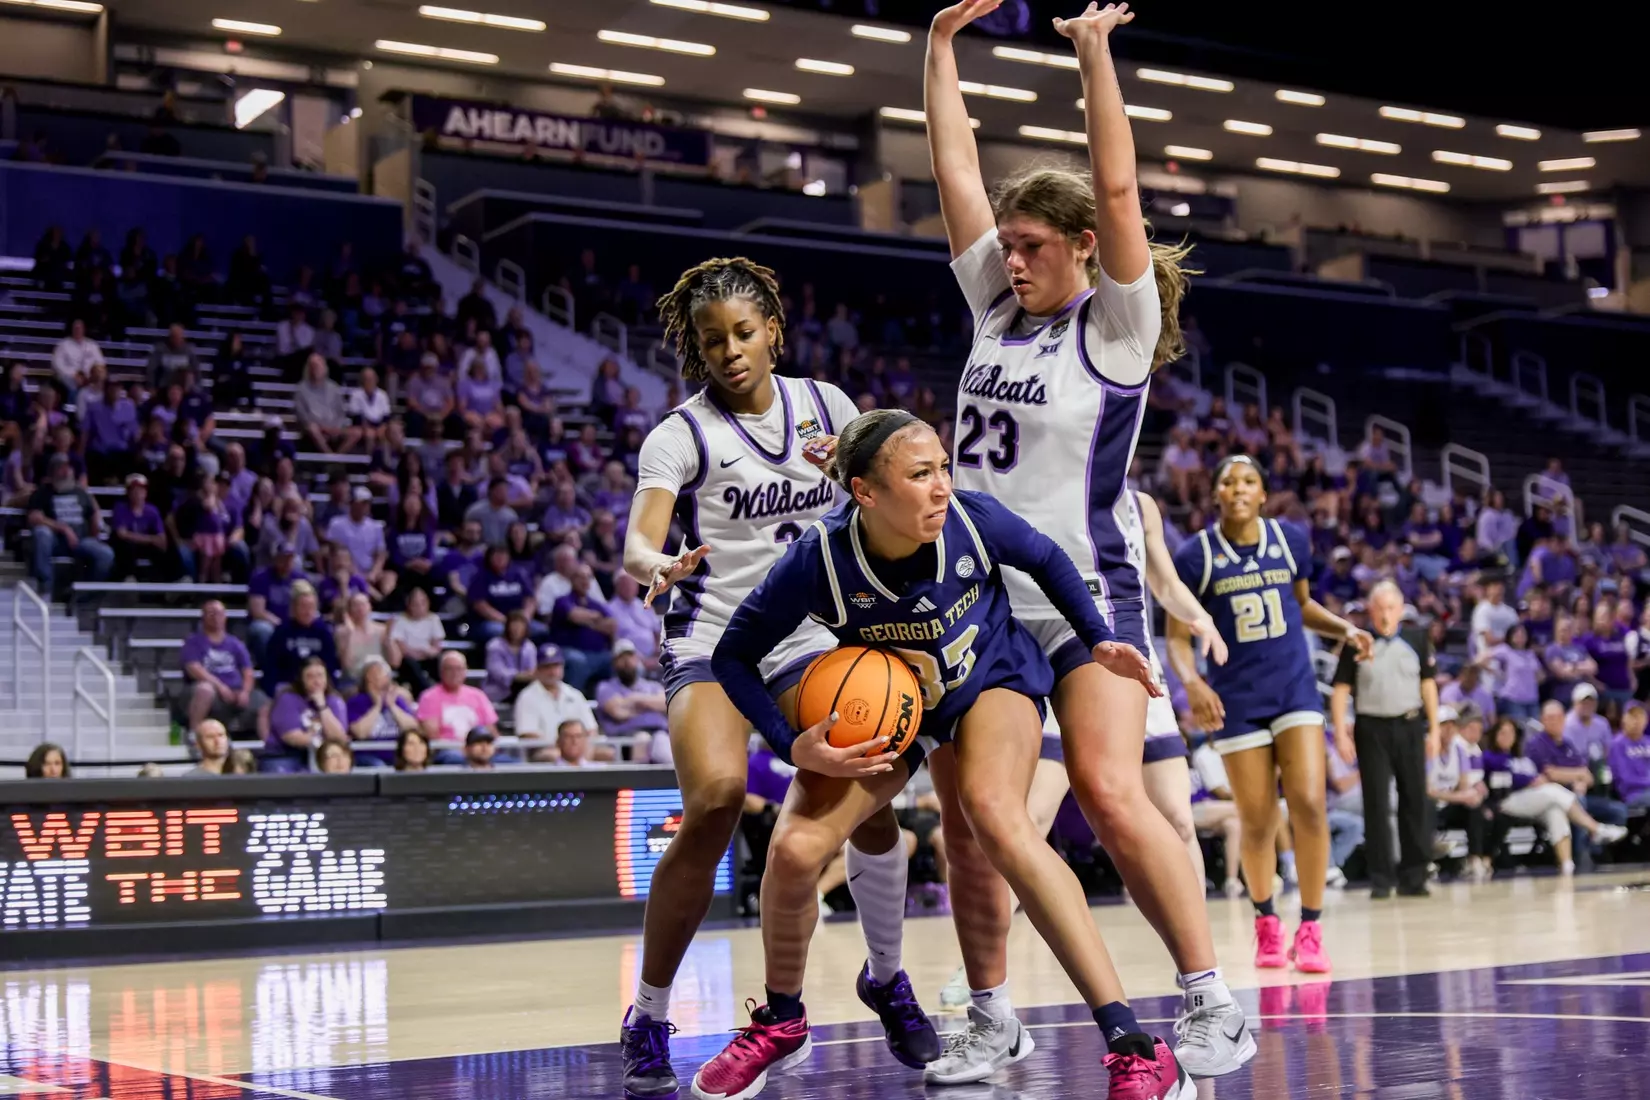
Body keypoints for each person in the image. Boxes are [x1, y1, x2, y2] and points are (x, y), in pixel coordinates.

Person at [924, 0, 1245, 1079]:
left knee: (1109, 792)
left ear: (1083, 252)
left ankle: (1210, 1000)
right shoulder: (994, 307)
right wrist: (939, 52)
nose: (1010, 259)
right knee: (972, 823)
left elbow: (1117, 191)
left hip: (1087, 592)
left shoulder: (1115, 326)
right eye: (1007, 246)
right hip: (979, 601)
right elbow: (956, 171)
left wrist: (1095, 56)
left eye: (1031, 247)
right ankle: (989, 1013)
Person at [696, 409, 1178, 1100]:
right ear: (865, 492)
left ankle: (1133, 1042)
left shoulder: (972, 520)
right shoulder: (818, 559)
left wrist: (1097, 636)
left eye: (944, 467)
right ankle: (782, 1020)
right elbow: (732, 655)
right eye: (921, 474)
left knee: (994, 817)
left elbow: (1046, 557)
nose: (943, 485)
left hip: (989, 680)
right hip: (898, 706)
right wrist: (788, 742)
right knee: (796, 849)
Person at [618, 257, 930, 1099]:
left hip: (812, 636)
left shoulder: (828, 406)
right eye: (712, 339)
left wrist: (853, 478)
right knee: (717, 800)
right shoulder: (681, 435)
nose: (729, 350)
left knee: (867, 798)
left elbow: (886, 496)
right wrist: (657, 564)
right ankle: (648, 1013)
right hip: (712, 636)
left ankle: (887, 978)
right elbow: (638, 539)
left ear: (773, 333)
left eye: (743, 333)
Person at [1169, 455, 1371, 973]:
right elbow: (1177, 637)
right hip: (1237, 699)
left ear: (1262, 493)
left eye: (1249, 481)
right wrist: (1192, 682)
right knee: (1257, 818)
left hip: (1294, 690)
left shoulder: (1290, 540)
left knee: (1309, 803)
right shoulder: (1195, 556)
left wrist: (1344, 628)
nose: (1238, 489)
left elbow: (1301, 605)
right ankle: (1266, 921)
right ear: (1216, 494)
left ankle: (1311, 928)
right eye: (1228, 481)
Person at [1331, 580, 1440, 898]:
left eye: (1391, 608)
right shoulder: (1357, 642)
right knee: (1376, 803)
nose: (1385, 614)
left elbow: (1428, 685)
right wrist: (1340, 733)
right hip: (1371, 728)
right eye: (1379, 608)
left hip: (1409, 725)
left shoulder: (1417, 639)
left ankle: (1415, 875)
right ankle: (1381, 878)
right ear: (1370, 610)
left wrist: (1434, 729)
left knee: (1415, 799)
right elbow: (1340, 690)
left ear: (1401, 609)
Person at [1482, 716, 1625, 875]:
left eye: (1511, 733)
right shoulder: (1490, 757)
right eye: (1503, 733)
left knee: (1555, 810)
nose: (1507, 737)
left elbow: (1536, 775)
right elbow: (1504, 781)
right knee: (1553, 791)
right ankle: (1595, 829)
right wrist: (1530, 780)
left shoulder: (1520, 758)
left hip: (1530, 799)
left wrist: (1533, 779)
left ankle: (1567, 865)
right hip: (1506, 801)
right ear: (1495, 735)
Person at [27, 454, 114, 593]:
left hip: (81, 540)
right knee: (41, 533)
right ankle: (45, 586)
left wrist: (95, 531)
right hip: (55, 541)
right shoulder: (43, 492)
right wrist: (63, 528)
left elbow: (93, 515)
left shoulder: (81, 493)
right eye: (61, 468)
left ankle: (84, 594)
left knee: (106, 554)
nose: (66, 471)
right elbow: (34, 517)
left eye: (68, 467)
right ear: (52, 471)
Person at [1427, 705, 1495, 882]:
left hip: (1447, 804)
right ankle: (1425, 859)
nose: (1449, 729)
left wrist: (1470, 795)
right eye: (1444, 725)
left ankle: (1474, 860)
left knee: (1474, 806)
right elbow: (1427, 791)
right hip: (1427, 806)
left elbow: (1464, 786)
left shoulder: (1459, 750)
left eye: (1453, 725)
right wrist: (1459, 796)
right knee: (1427, 805)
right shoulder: (1426, 748)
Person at [180, 600, 263, 737]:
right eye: (211, 613)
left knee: (265, 701)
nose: (215, 617)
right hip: (206, 690)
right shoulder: (193, 641)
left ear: (225, 617)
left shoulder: (236, 643)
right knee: (205, 690)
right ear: (203, 617)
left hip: (236, 691)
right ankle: (195, 736)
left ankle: (269, 744)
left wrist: (245, 692)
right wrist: (220, 687)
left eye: (219, 613)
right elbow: (193, 668)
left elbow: (248, 671)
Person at [266, 658, 349, 772]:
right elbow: (291, 737)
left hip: (324, 755)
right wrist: (320, 741)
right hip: (286, 754)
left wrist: (322, 706)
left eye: (320, 676)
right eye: (310, 676)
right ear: (301, 679)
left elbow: (339, 738)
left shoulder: (335, 700)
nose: (316, 681)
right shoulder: (287, 699)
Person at [417, 651, 499, 759]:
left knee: (510, 762)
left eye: (459, 669)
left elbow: (491, 731)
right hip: (447, 751)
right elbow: (432, 736)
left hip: (480, 751)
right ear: (441, 672)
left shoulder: (478, 696)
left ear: (465, 671)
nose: (454, 673)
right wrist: (466, 751)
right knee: (455, 758)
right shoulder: (429, 697)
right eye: (450, 669)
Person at [1609, 701, 1650, 809]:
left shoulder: (1648, 742)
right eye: (1632, 717)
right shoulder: (1617, 744)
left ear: (1646, 721)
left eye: (1640, 717)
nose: (1636, 721)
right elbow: (1625, 779)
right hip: (1633, 795)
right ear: (1624, 719)